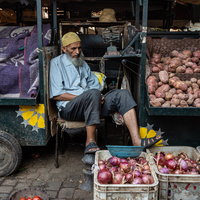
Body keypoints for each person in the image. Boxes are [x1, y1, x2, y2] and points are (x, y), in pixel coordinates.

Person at [49, 32, 162, 154]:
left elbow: (94, 85)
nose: (77, 52)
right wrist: (88, 97)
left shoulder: (82, 63)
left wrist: (99, 97)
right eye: (73, 49)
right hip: (69, 108)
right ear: (64, 48)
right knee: (93, 94)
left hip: (92, 105)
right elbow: (56, 94)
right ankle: (90, 142)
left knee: (122, 95)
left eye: (79, 48)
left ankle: (137, 141)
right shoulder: (56, 63)